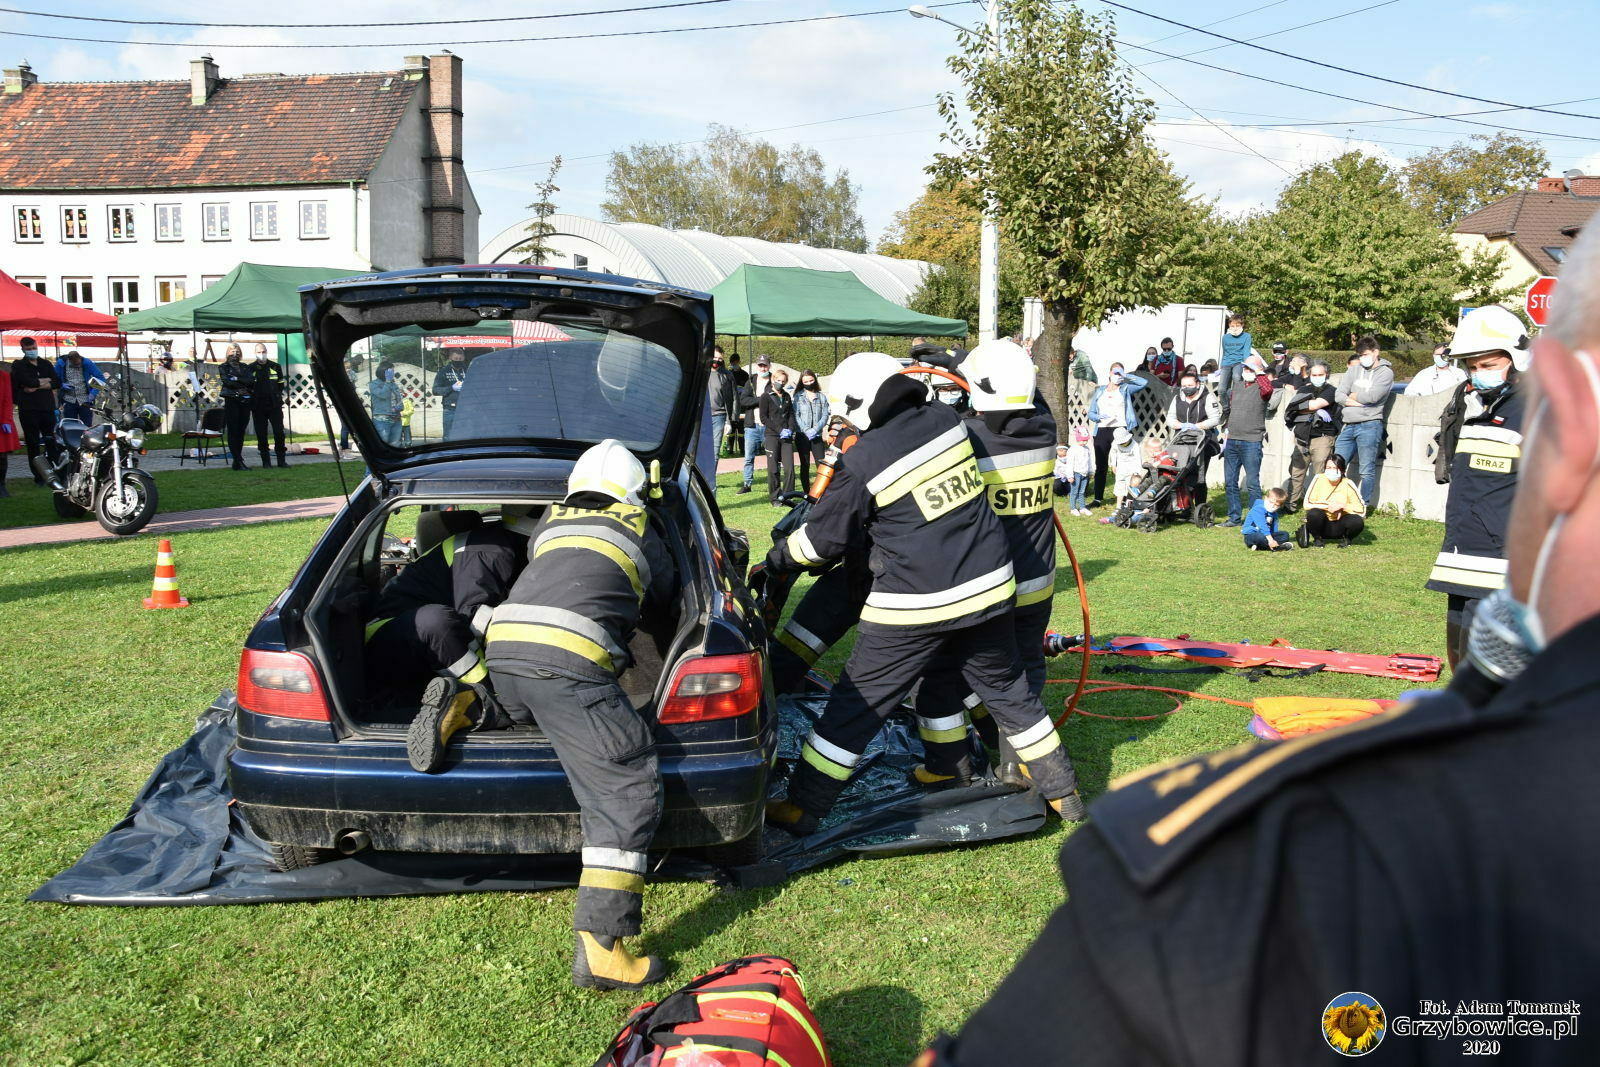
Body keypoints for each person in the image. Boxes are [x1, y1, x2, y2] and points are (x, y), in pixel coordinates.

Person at [921, 221, 1600, 1067]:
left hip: (995, 599)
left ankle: (1023, 775)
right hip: (1026, 594)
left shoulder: (1243, 875)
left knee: (1005, 688)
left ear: (1564, 412)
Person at [764, 352, 1084, 835]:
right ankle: (1065, 792)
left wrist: (776, 560)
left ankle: (803, 807)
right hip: (990, 587)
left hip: (915, 601)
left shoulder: (865, 459)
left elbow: (821, 544)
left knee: (856, 703)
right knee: (1009, 691)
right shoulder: (945, 420)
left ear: (857, 403)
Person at [478, 441, 676, 991]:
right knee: (625, 787)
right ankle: (603, 948)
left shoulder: (549, 522)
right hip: (568, 664)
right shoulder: (639, 524)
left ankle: (474, 702)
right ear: (635, 491)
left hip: (503, 652)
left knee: (528, 707)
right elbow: (666, 597)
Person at [914, 339, 1075, 790]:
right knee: (1024, 673)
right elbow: (1025, 395)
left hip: (986, 583)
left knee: (952, 669)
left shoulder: (965, 437)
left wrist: (956, 367)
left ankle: (949, 765)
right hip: (1037, 581)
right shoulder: (1044, 428)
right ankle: (1015, 764)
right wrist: (964, 366)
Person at [367, 514, 525, 756]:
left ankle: (458, 699)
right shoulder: (492, 549)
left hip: (437, 652)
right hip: (390, 637)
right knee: (435, 621)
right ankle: (490, 703)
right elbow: (475, 618)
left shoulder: (512, 549)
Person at [1425, 305, 1529, 670]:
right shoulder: (1471, 403)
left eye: (1488, 365)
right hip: (1463, 552)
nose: (1479, 373)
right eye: (1472, 366)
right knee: (1461, 657)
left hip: (1506, 560)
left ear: (1517, 358)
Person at [1334, 336, 1394, 509]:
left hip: (1370, 424)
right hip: (1348, 424)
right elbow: (1339, 395)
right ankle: (1336, 502)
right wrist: (1357, 401)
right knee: (1336, 466)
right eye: (1360, 355)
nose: (1363, 358)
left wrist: (1352, 395)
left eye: (1365, 354)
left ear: (1376, 352)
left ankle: (1362, 506)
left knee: (1366, 470)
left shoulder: (1385, 372)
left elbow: (1373, 396)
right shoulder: (1354, 370)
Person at [1218, 353, 1273, 528]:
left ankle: (1256, 519)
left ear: (1259, 370)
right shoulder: (1237, 386)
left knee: (1252, 484)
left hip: (1251, 441)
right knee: (1230, 482)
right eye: (1245, 367)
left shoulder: (1262, 386)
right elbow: (1232, 410)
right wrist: (1226, 431)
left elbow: (1268, 390)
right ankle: (1234, 518)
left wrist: (1259, 373)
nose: (1247, 371)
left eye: (1251, 368)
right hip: (1232, 440)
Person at [1086, 361, 1148, 505]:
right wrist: (1097, 417)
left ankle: (1125, 497)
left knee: (1122, 465)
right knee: (1101, 465)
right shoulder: (1100, 390)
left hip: (1120, 429)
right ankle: (1098, 498)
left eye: (1120, 373)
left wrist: (1126, 376)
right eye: (1115, 372)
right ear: (1109, 373)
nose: (1117, 375)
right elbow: (1091, 413)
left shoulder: (1125, 388)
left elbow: (1143, 383)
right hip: (1102, 429)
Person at [1281, 359, 1340, 511]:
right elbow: (1293, 407)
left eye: (1320, 374)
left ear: (1326, 375)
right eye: (1314, 375)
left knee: (1321, 474)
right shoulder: (1303, 389)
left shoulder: (1331, 390)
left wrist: (1306, 406)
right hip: (1301, 437)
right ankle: (1290, 505)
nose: (1317, 377)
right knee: (1296, 472)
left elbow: (1314, 404)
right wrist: (1311, 407)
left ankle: (1319, 506)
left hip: (1322, 437)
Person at [11, 338, 58, 485]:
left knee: (51, 441)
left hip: (47, 408)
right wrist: (46, 381)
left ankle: (55, 471)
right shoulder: (19, 365)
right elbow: (27, 381)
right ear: (23, 349)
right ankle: (39, 476)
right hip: (29, 409)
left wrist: (36, 386)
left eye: (34, 348)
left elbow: (57, 382)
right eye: (29, 349)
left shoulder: (45, 364)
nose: (32, 351)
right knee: (33, 444)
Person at [1166, 369, 1221, 486]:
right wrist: (1181, 425)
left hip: (1202, 442)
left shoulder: (1207, 397)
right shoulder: (1177, 398)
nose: (1186, 388)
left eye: (1190, 385)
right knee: (1180, 475)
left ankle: (1199, 497)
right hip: (1182, 441)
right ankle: (1184, 497)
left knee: (1199, 476)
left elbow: (1215, 419)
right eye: (1184, 386)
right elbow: (1170, 418)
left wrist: (1196, 426)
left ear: (1197, 384)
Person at [1303, 453, 1366, 547]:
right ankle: (1317, 538)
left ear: (1342, 470)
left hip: (1340, 524)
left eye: (1335, 468)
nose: (1331, 470)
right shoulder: (1318, 478)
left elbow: (1362, 510)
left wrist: (1342, 506)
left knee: (1357, 521)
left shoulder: (1348, 483)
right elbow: (1307, 503)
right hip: (1322, 523)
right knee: (1314, 513)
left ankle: (1347, 539)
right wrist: (1329, 506)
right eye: (1328, 467)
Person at [734, 356, 776, 495]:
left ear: (769, 366)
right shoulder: (751, 381)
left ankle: (774, 484)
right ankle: (747, 484)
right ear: (757, 366)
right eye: (760, 365)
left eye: (765, 365)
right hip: (751, 426)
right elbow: (743, 400)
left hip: (769, 426)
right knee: (748, 458)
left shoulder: (774, 380)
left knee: (773, 457)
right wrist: (761, 399)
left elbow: (777, 400)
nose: (763, 368)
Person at [759, 368, 799, 503]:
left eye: (783, 381)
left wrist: (790, 429)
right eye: (778, 380)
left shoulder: (786, 396)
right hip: (772, 436)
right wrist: (779, 429)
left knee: (789, 468)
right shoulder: (765, 396)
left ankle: (787, 496)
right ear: (773, 379)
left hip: (786, 437)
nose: (780, 383)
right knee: (773, 469)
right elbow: (764, 418)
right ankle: (775, 497)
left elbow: (791, 415)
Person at [250, 342, 289, 468]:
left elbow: (281, 383)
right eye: (259, 352)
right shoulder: (250, 368)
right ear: (255, 353)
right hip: (258, 405)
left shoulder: (275, 366)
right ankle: (266, 462)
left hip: (274, 405)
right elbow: (248, 385)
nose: (262, 354)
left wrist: (276, 395)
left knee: (279, 433)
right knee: (261, 434)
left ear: (267, 352)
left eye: (263, 352)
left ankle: (281, 461)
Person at [218, 343, 256, 471]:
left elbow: (251, 381)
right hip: (232, 401)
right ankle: (238, 460)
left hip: (245, 401)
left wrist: (236, 379)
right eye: (232, 351)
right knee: (233, 430)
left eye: (237, 351)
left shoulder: (245, 367)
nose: (235, 354)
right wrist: (242, 382)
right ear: (228, 352)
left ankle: (237, 460)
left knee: (241, 431)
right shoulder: (223, 367)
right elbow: (228, 383)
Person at [792, 367, 829, 487]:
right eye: (806, 381)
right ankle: (806, 492)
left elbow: (825, 415)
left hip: (816, 435)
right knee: (805, 464)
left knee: (821, 464)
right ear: (802, 382)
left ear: (815, 380)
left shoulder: (822, 397)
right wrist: (806, 430)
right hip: (802, 435)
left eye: (811, 380)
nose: (809, 383)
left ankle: (821, 489)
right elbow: (796, 415)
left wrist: (815, 429)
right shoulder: (798, 396)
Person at [54, 350, 103, 423]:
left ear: (80, 358)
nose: (78, 366)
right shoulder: (61, 364)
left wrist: (93, 393)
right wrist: (61, 384)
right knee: (70, 425)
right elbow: (54, 378)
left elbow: (100, 378)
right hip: (68, 400)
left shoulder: (87, 363)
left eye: (79, 363)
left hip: (86, 400)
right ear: (69, 360)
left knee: (86, 425)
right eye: (75, 364)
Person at [706, 348, 736, 459]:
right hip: (702, 416)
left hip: (719, 416)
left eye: (720, 358)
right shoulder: (700, 372)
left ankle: (712, 471)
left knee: (715, 451)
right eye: (715, 357)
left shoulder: (727, 375)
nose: (717, 360)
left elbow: (733, 399)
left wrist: (729, 421)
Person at [431, 348, 468, 440]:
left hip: (466, 409)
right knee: (448, 436)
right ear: (450, 358)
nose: (458, 361)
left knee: (465, 436)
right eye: (456, 359)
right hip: (450, 410)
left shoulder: (468, 370)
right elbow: (435, 390)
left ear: (463, 358)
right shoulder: (443, 371)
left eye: (460, 359)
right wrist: (451, 388)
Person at [1218, 313, 1252, 413]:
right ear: (1229, 325)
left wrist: (1246, 366)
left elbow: (1246, 352)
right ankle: (1225, 409)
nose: (1235, 328)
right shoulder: (1225, 338)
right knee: (1221, 389)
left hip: (1239, 362)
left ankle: (1236, 403)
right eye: (1232, 326)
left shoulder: (1247, 336)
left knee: (1236, 377)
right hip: (1226, 363)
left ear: (1242, 325)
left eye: (1237, 325)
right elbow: (1225, 352)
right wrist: (1221, 367)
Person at [1059, 430, 1095, 516]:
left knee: (1082, 492)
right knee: (1074, 491)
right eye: (1083, 440)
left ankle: (1082, 508)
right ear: (1078, 439)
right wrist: (1070, 475)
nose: (1084, 442)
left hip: (1085, 473)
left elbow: (1089, 461)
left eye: (1086, 440)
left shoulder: (1087, 449)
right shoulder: (1073, 449)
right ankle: (1073, 508)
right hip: (1076, 474)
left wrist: (1090, 471)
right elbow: (1070, 463)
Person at [368, 361, 405, 446]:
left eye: (393, 371)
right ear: (383, 371)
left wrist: (400, 407)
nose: (393, 373)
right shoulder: (374, 384)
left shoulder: (394, 384)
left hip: (396, 418)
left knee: (395, 444)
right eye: (391, 371)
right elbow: (383, 395)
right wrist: (387, 382)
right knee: (382, 444)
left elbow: (398, 399)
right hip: (382, 419)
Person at [0, 363, 17, 497]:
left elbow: (8, 399)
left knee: (2, 456)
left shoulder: (4, 377)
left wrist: (6, 420)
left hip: (1, 422)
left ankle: (1, 484)